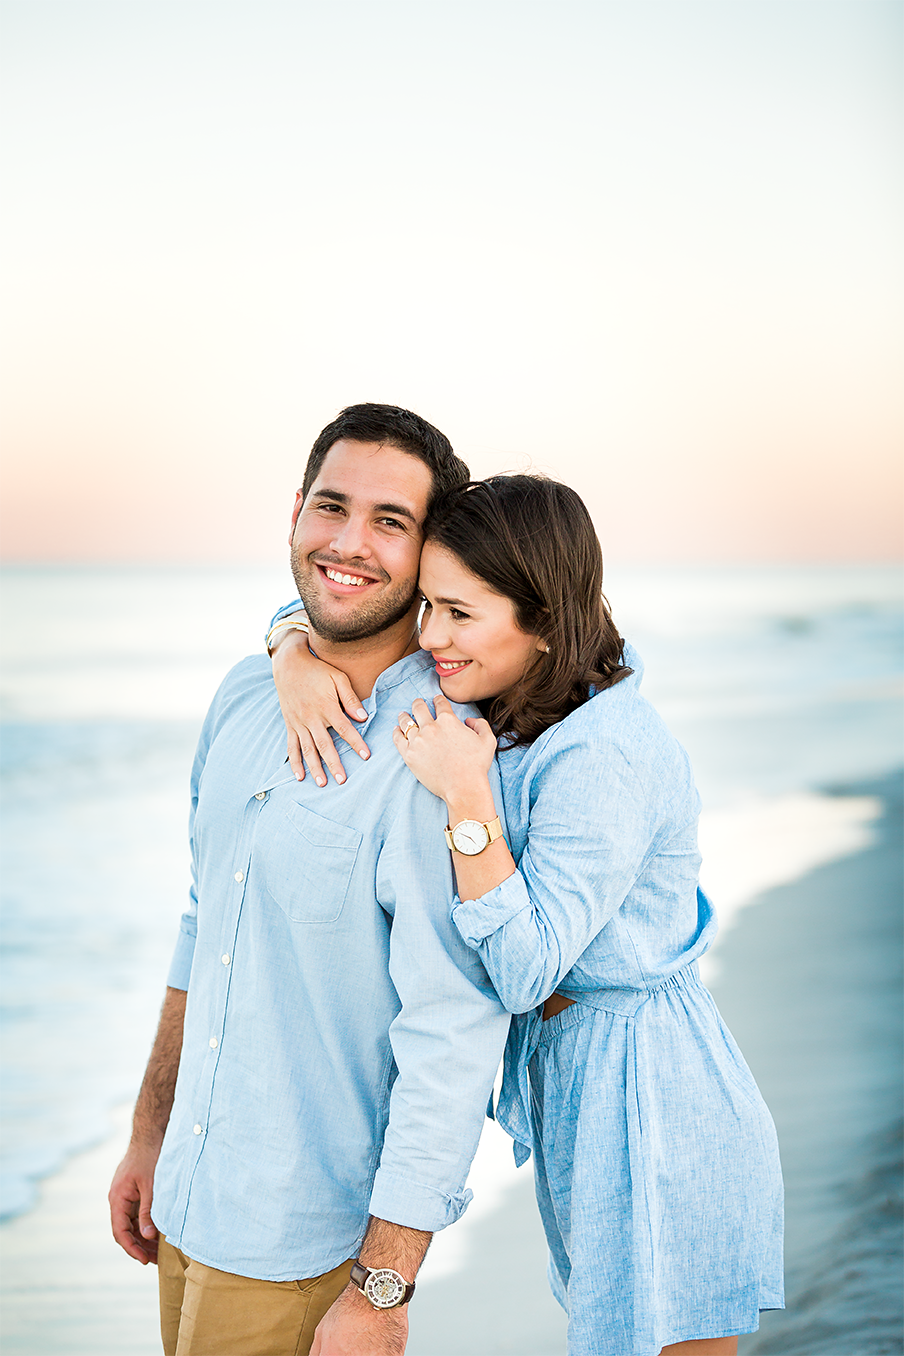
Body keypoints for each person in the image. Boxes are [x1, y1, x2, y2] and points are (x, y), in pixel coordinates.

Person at [269, 474, 785, 1356]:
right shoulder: (526, 705)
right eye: (428, 603)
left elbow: (523, 968)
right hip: (589, 1084)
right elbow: (331, 602)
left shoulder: (605, 754)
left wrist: (466, 792)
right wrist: (290, 650)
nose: (429, 634)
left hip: (654, 1097)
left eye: (458, 613)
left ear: (541, 619)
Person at [108, 404, 511, 1356]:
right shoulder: (245, 693)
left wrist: (385, 1282)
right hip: (189, 1201)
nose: (349, 544)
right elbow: (205, 923)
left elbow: (452, 1030)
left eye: (390, 522)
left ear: (428, 554)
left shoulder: (433, 753)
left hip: (306, 1248)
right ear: (295, 512)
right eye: (332, 506)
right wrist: (149, 1131)